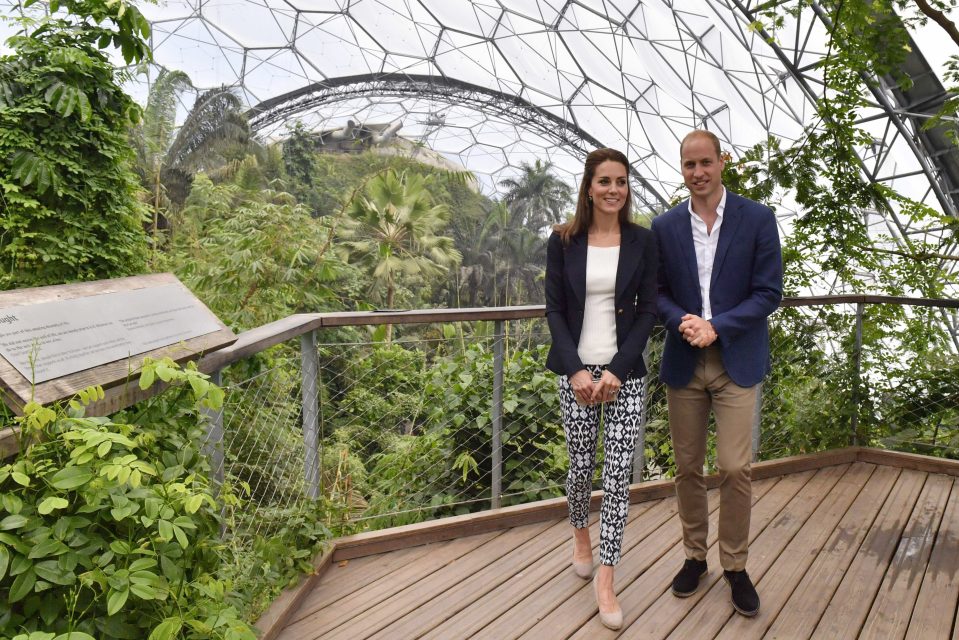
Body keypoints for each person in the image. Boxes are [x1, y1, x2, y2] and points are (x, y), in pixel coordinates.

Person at [651, 130, 783, 617]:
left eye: (706, 162)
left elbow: (769, 292)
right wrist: (681, 322)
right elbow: (656, 291)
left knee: (733, 467)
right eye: (689, 165)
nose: (698, 173)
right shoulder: (664, 226)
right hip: (685, 360)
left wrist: (717, 326)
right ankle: (694, 556)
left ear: (722, 162)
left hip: (736, 360)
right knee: (687, 467)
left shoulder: (757, 218)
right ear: (681, 168)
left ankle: (735, 564)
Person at [545, 147, 658, 630]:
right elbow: (553, 308)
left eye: (621, 181)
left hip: (623, 375)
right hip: (576, 371)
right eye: (605, 181)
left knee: (616, 478)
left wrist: (617, 368)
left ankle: (607, 578)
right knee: (579, 466)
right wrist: (575, 371)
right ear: (589, 187)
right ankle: (579, 536)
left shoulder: (643, 241)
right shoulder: (564, 240)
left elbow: (650, 309)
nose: (615, 189)